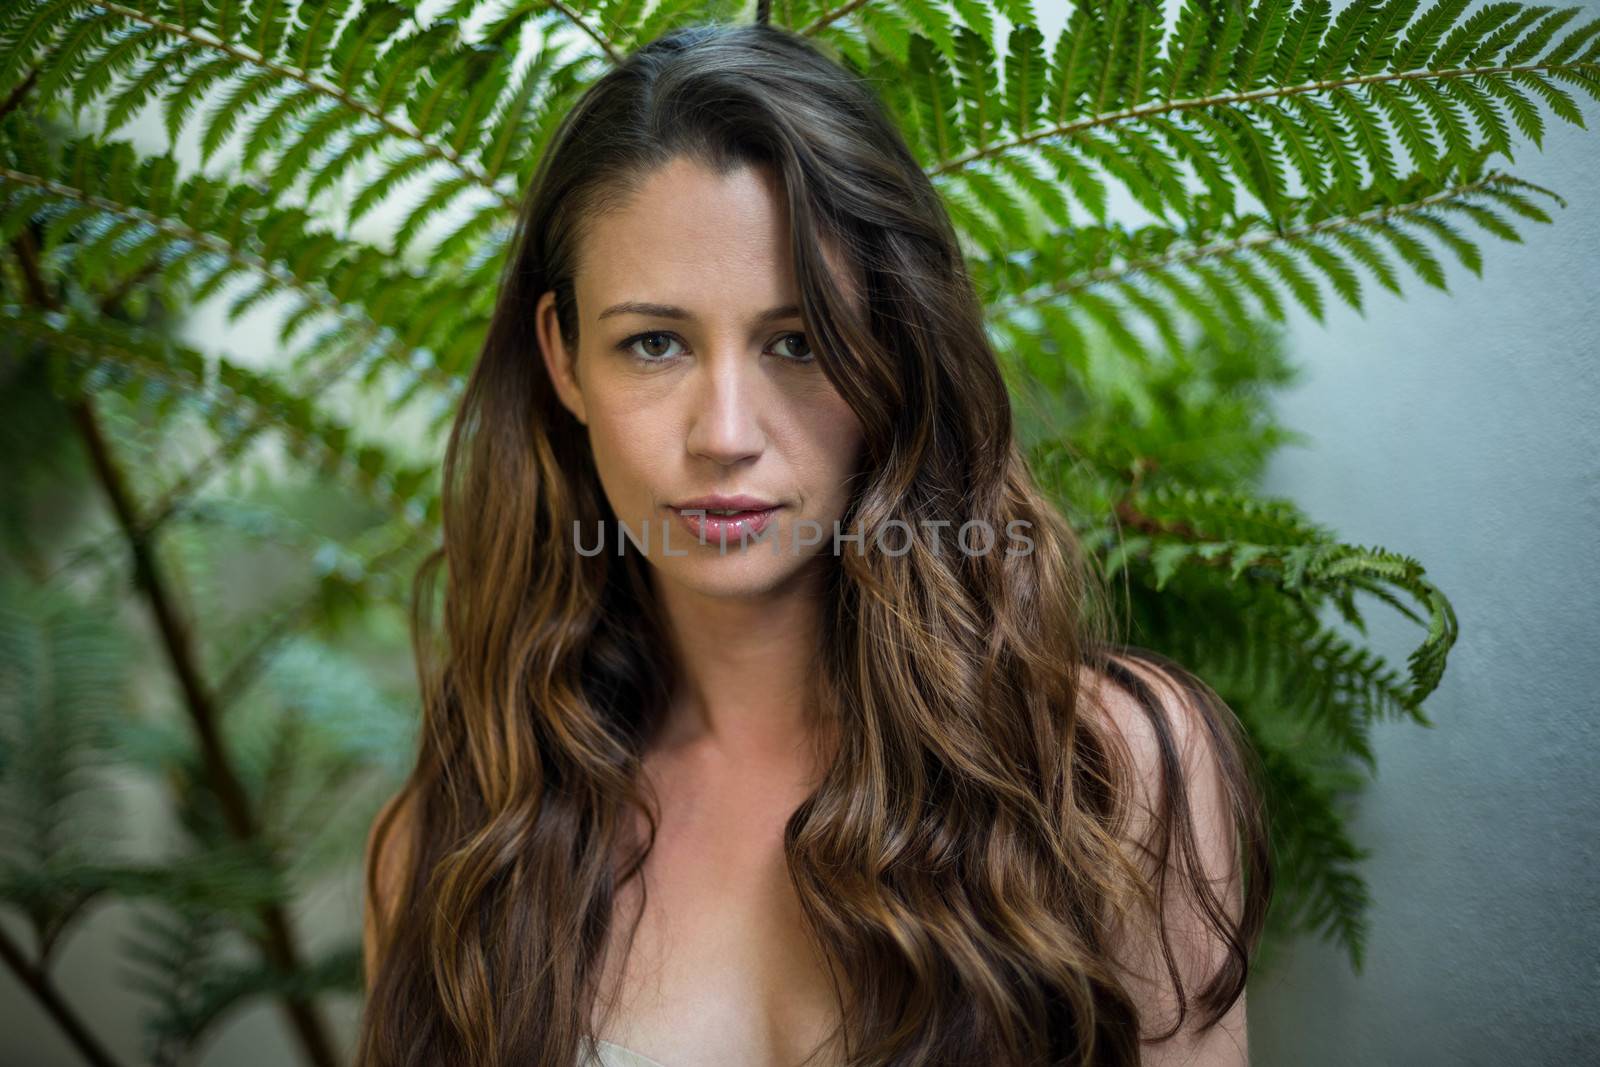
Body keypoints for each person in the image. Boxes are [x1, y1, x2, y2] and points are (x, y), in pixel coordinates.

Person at [355, 20, 1270, 1067]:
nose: (726, 434)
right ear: (562, 356)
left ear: (893, 347)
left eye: (797, 342)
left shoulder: (1103, 771)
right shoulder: (451, 850)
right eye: (654, 343)